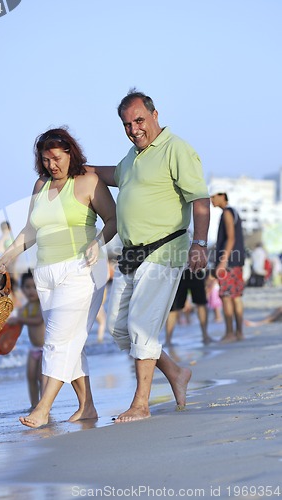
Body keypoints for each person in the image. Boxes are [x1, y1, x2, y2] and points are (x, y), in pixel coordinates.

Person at [88, 90, 210, 422]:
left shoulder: (176, 149)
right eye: (127, 124)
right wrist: (81, 168)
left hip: (165, 249)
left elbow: (200, 199)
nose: (134, 129)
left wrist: (200, 243)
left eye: (139, 120)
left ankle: (141, 404)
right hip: (130, 254)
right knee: (117, 328)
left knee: (142, 325)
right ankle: (175, 372)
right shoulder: (133, 156)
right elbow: (117, 174)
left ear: (155, 114)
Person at [0, 127, 117, 428]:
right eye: (46, 159)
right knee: (70, 341)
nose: (52, 164)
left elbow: (114, 219)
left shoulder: (89, 182)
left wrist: (98, 241)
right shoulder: (41, 185)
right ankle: (87, 407)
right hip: (45, 273)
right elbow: (31, 230)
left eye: (56, 158)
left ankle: (43, 407)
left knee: (56, 341)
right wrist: (6, 258)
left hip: (81, 270)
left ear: (70, 153)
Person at [210, 185, 245, 342]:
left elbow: (230, 238)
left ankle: (230, 333)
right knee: (236, 297)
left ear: (222, 195)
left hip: (229, 262)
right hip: (236, 261)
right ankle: (239, 333)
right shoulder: (234, 211)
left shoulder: (226, 213)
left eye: (213, 196)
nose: (211, 200)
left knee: (226, 296)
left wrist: (222, 262)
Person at [7, 271, 45, 409]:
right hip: (34, 348)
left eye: (34, 287)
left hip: (45, 348)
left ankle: (43, 404)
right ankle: (34, 404)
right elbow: (18, 325)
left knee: (42, 378)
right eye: (27, 287)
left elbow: (38, 320)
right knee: (30, 377)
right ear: (22, 289)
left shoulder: (42, 304)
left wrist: (20, 319)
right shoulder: (26, 307)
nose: (31, 291)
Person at [165, 269, 213, 346]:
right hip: (179, 270)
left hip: (194, 269)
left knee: (201, 302)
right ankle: (168, 340)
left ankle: (205, 335)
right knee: (174, 307)